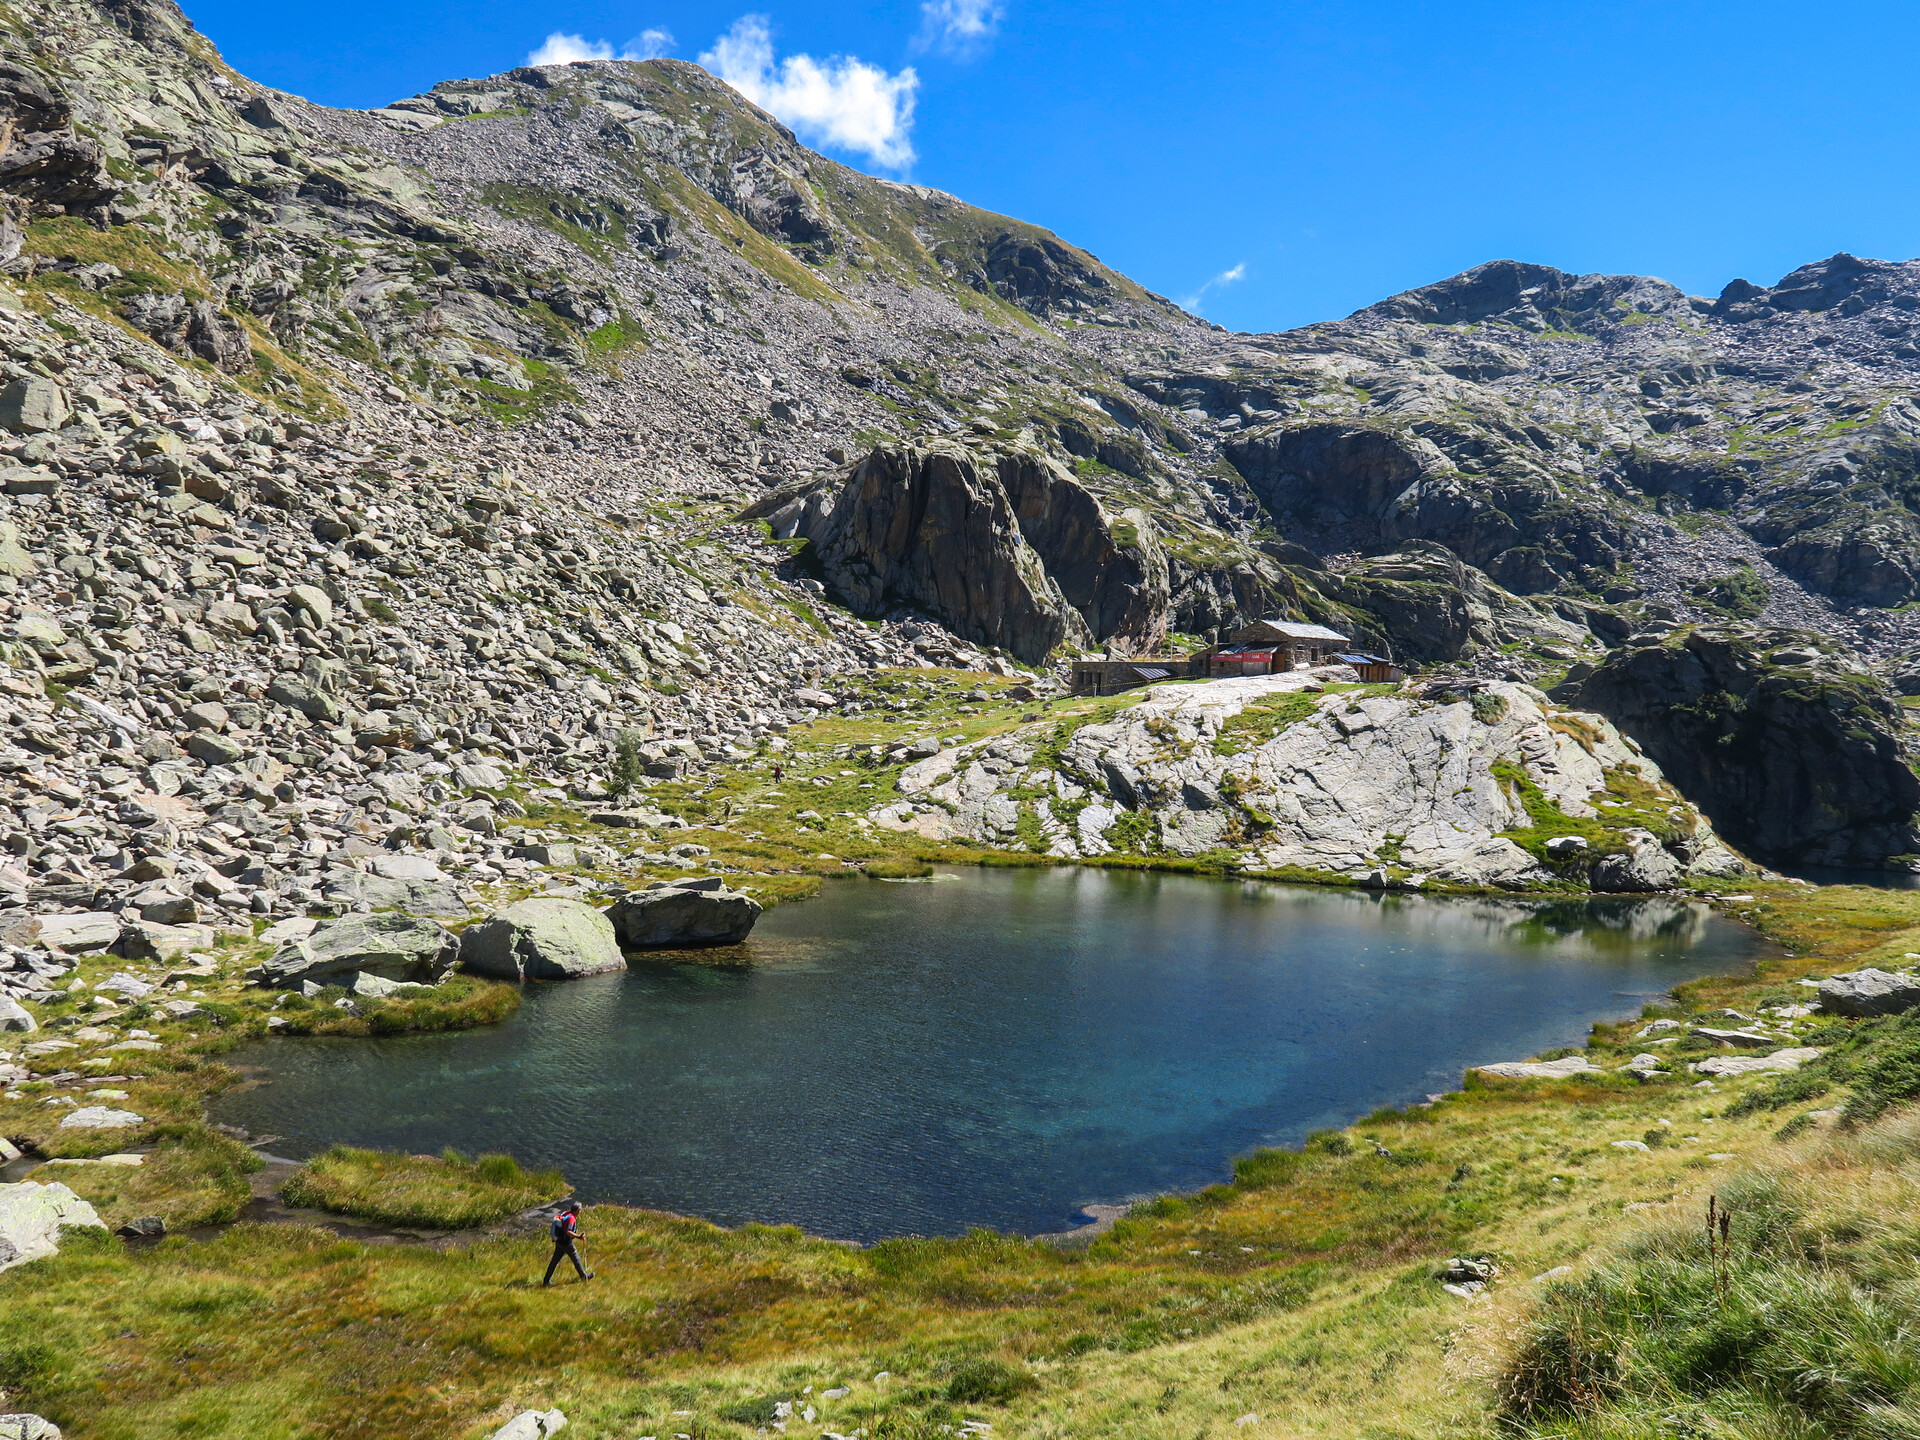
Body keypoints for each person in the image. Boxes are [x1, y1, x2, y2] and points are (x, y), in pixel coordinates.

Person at [543, 1201, 592, 1285]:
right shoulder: (571, 1218)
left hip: (559, 1242)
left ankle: (546, 1281)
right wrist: (578, 1237)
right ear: (577, 1210)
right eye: (580, 1210)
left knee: (554, 1262)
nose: (581, 1211)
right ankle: (584, 1276)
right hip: (566, 1243)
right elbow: (568, 1231)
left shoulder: (566, 1213)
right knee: (576, 1259)